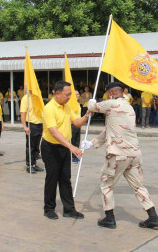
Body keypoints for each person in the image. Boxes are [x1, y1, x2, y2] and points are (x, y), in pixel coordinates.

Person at [83, 82, 158, 230]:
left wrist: (91, 102)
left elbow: (92, 107)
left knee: (106, 184)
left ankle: (109, 219)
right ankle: (153, 218)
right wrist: (92, 143)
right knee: (138, 186)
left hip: (118, 154)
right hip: (134, 154)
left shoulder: (111, 103)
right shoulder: (129, 107)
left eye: (106, 95)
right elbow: (110, 130)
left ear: (111, 93)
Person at [41, 81, 90, 220]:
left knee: (65, 178)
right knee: (52, 177)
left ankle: (69, 209)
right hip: (50, 148)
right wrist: (71, 146)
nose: (69, 97)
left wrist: (86, 116)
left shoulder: (66, 106)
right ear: (57, 93)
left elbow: (76, 122)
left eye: (70, 95)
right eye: (67, 94)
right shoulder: (49, 108)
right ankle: (49, 208)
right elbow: (54, 132)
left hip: (63, 147)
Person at [20, 90, 44, 174]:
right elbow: (23, 113)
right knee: (30, 146)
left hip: (39, 124)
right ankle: (29, 165)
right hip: (31, 124)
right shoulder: (25, 98)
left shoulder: (38, 98)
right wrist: (24, 126)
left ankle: (34, 164)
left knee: (36, 146)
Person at [71, 90, 82, 164]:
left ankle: (75, 155)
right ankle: (72, 156)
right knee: (73, 141)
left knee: (77, 141)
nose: (78, 95)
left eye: (78, 94)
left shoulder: (78, 104)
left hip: (78, 124)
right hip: (73, 124)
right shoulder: (71, 105)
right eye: (76, 94)